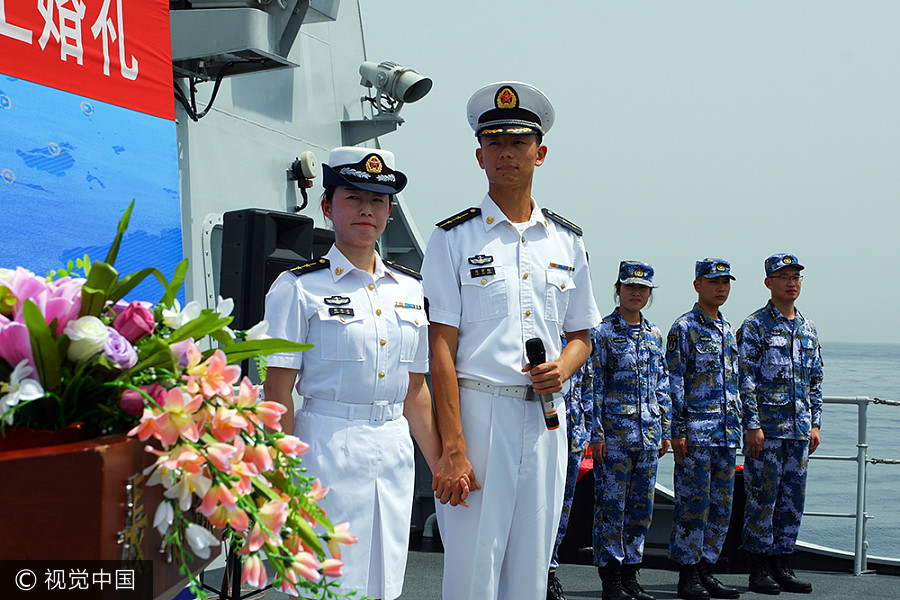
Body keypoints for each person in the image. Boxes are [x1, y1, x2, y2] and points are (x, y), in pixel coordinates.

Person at [421, 81, 600, 600]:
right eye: (494, 143)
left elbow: (582, 335)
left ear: (539, 153)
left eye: (518, 142)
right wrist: (452, 447)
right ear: (480, 156)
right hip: (480, 414)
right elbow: (440, 348)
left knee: (531, 567)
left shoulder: (567, 240)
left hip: (547, 421)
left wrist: (563, 368)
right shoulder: (453, 238)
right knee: (473, 570)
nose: (506, 153)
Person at [262, 147, 448, 600]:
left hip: (393, 450)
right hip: (324, 448)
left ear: (389, 211)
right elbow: (278, 394)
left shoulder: (410, 289)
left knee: (384, 583)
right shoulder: (297, 288)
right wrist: (282, 478)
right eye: (353, 197)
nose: (367, 209)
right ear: (328, 207)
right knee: (320, 584)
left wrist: (443, 461)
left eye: (378, 200)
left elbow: (415, 390)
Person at [738, 253, 823, 595]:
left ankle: (782, 563)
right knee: (762, 499)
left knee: (792, 500)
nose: (791, 283)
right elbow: (745, 380)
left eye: (796, 277)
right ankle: (758, 568)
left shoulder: (808, 328)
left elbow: (815, 378)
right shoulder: (755, 326)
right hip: (767, 432)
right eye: (784, 277)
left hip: (799, 432)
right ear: (768, 282)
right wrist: (753, 425)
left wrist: (815, 423)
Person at [590, 261, 671, 600]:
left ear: (650, 294)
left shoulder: (654, 335)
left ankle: (631, 575)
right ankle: (610, 579)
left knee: (641, 510)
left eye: (643, 288)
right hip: (615, 438)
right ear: (618, 290)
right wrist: (596, 434)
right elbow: (593, 386)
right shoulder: (603, 333)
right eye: (629, 287)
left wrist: (665, 427)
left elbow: (661, 384)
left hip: (648, 437)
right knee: (611, 509)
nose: (636, 293)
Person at [666, 258, 742, 600]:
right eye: (713, 282)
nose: (720, 287)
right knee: (693, 505)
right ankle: (687, 573)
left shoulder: (728, 329)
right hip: (695, 433)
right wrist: (677, 430)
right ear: (698, 285)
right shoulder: (684, 328)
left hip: (725, 434)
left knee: (720, 505)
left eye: (725, 282)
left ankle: (706, 569)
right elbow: (674, 383)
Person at [547, 335, 594, 600]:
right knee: (536, 509)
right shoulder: (543, 333)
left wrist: (588, 431)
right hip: (543, 434)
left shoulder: (583, 341)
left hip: (574, 437)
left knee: (561, 512)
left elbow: (588, 387)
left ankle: (549, 574)